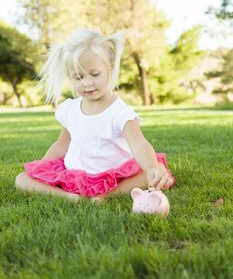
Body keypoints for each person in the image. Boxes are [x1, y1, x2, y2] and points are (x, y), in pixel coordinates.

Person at [15, 29, 175, 201]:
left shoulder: (120, 113)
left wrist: (151, 167)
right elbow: (62, 143)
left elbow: (139, 145)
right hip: (73, 175)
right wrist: (42, 168)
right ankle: (70, 197)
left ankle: (105, 196)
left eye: (95, 74)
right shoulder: (70, 109)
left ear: (110, 67)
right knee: (22, 179)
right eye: (78, 77)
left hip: (113, 177)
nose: (87, 83)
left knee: (151, 172)